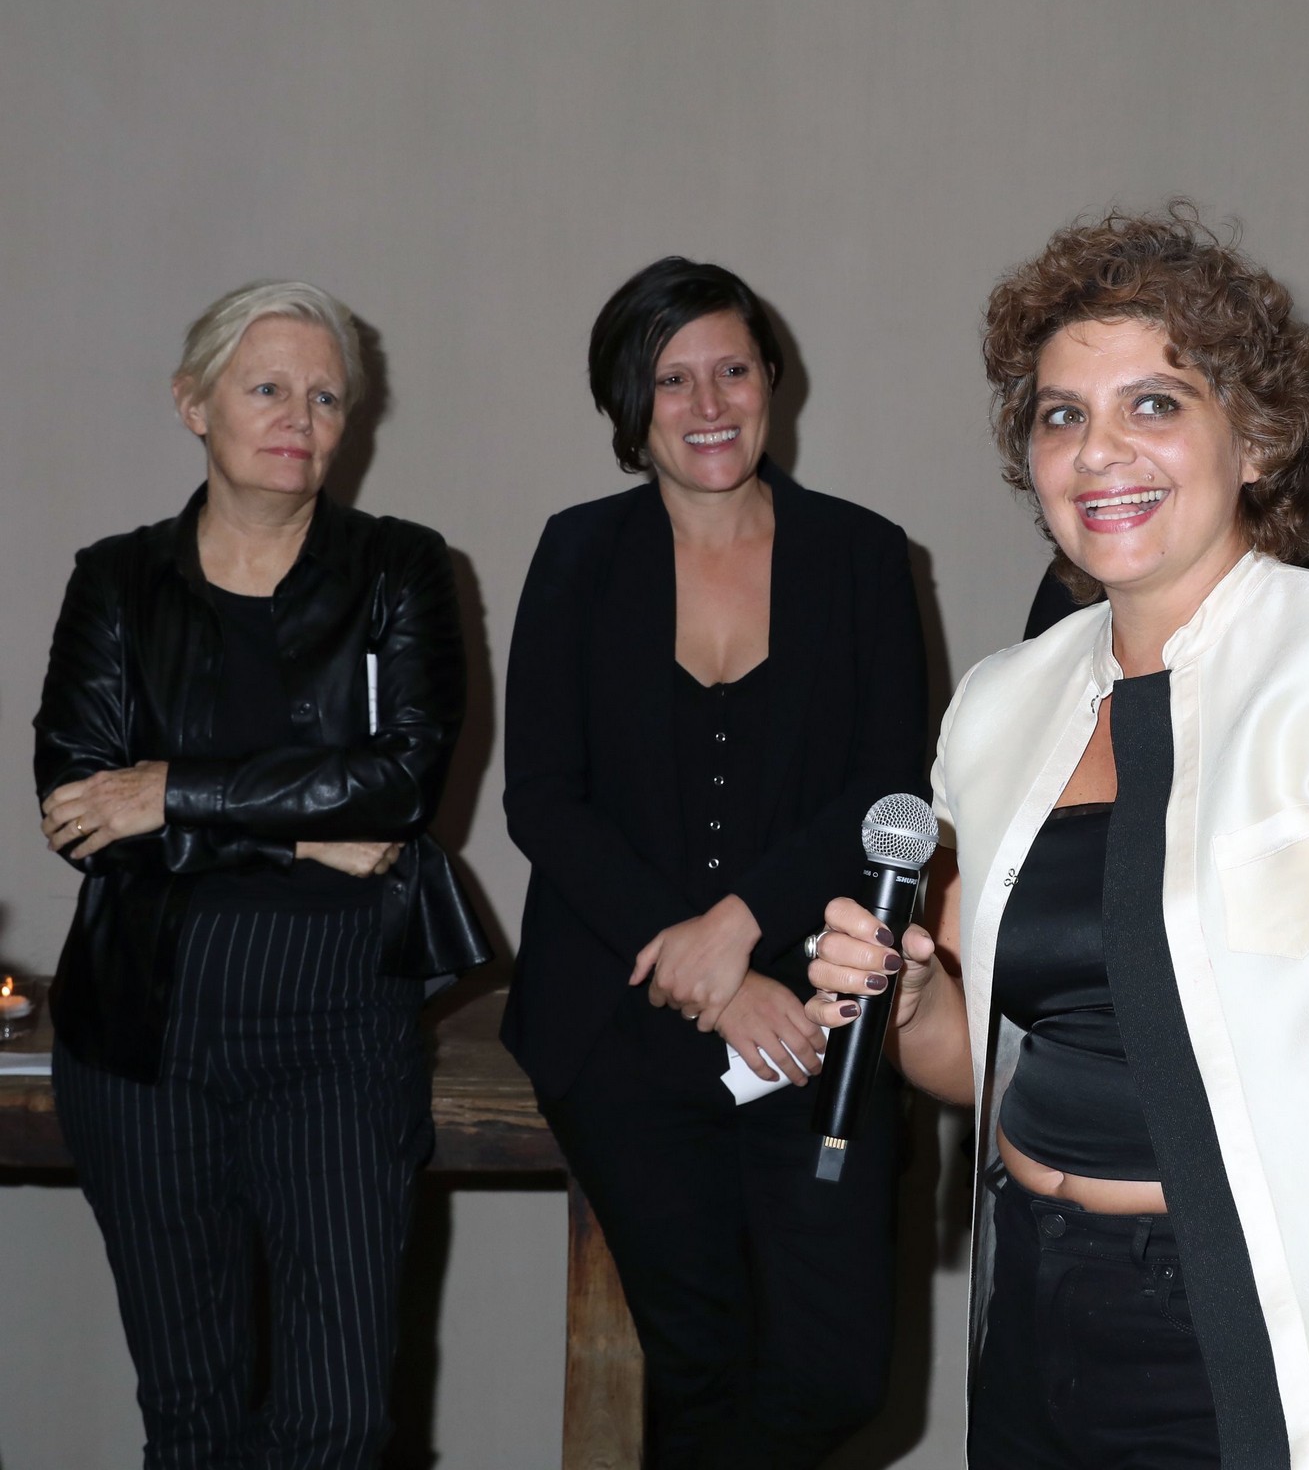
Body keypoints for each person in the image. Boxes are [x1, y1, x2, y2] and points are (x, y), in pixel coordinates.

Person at [802, 205, 1309, 1469]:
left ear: (1254, 437)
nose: (1099, 451)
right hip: (1033, 1309)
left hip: (1251, 1335)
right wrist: (912, 996)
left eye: (1154, 403)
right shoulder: (1001, 703)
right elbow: (976, 1064)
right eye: (1061, 415)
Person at [33, 280, 487, 1468]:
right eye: (268, 387)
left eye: (326, 397)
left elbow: (399, 783)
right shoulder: (115, 581)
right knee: (193, 1417)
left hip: (336, 1028)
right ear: (195, 404)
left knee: (338, 1421)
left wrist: (174, 790)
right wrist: (296, 831)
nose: (300, 416)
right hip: (143, 1035)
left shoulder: (400, 567)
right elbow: (78, 809)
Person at [502, 257, 927, 1466]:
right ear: (626, 405)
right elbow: (544, 798)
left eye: (731, 370)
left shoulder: (862, 552)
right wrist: (705, 974)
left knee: (834, 1374)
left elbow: (889, 782)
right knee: (697, 1367)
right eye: (671, 379)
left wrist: (740, 926)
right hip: (621, 1023)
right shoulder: (578, 553)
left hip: (816, 1015)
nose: (707, 404)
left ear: (772, 380)